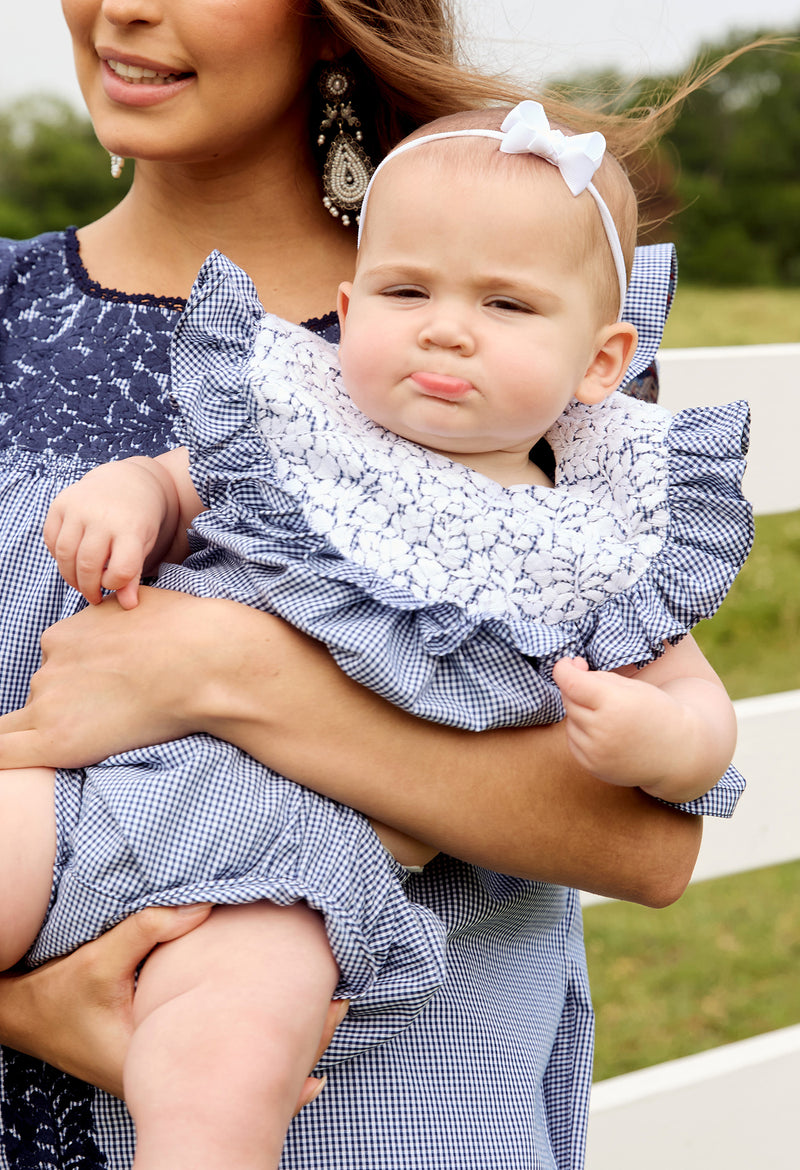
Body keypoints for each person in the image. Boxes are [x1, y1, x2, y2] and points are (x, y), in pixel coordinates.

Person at [0, 2, 755, 1168]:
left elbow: (641, 844)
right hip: (72, 864)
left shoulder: (548, 380)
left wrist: (224, 674)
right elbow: (178, 484)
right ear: (356, 311)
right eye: (405, 295)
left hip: (363, 1071)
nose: (128, 4)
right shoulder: (259, 397)